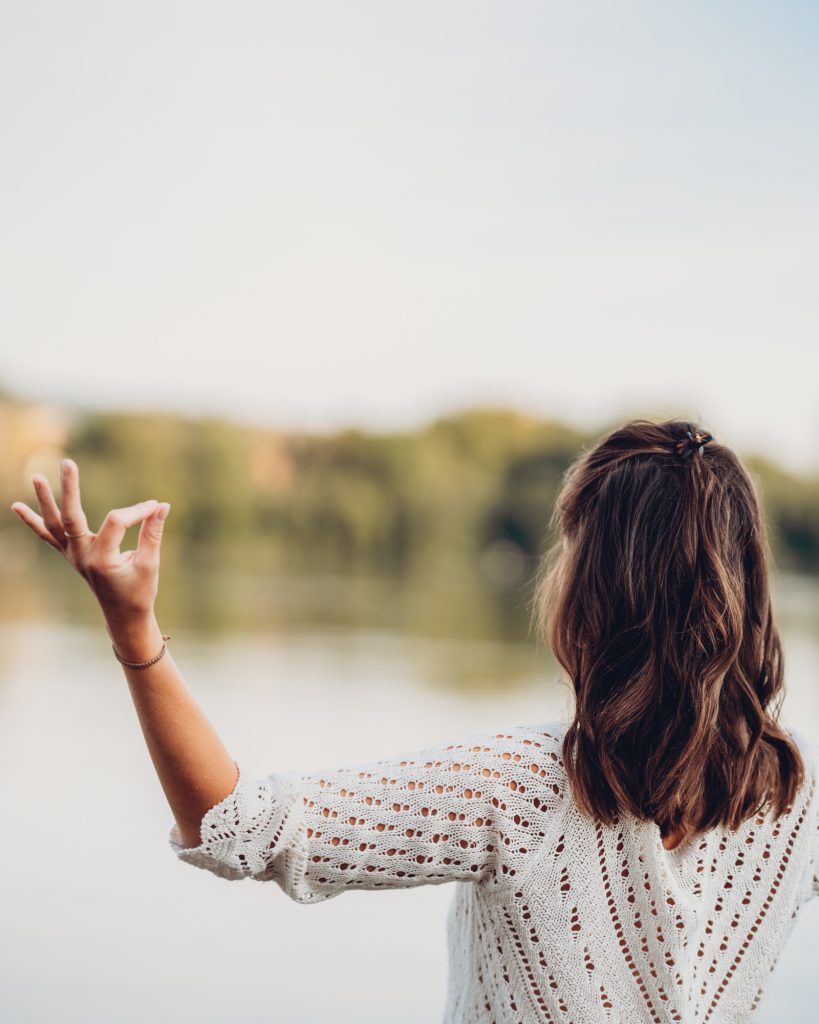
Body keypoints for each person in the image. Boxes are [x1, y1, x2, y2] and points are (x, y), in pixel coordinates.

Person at [10, 417, 819, 1023]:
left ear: (598, 588)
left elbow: (238, 825)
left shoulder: (523, 789)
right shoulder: (797, 803)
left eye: (568, 545)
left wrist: (134, 633)